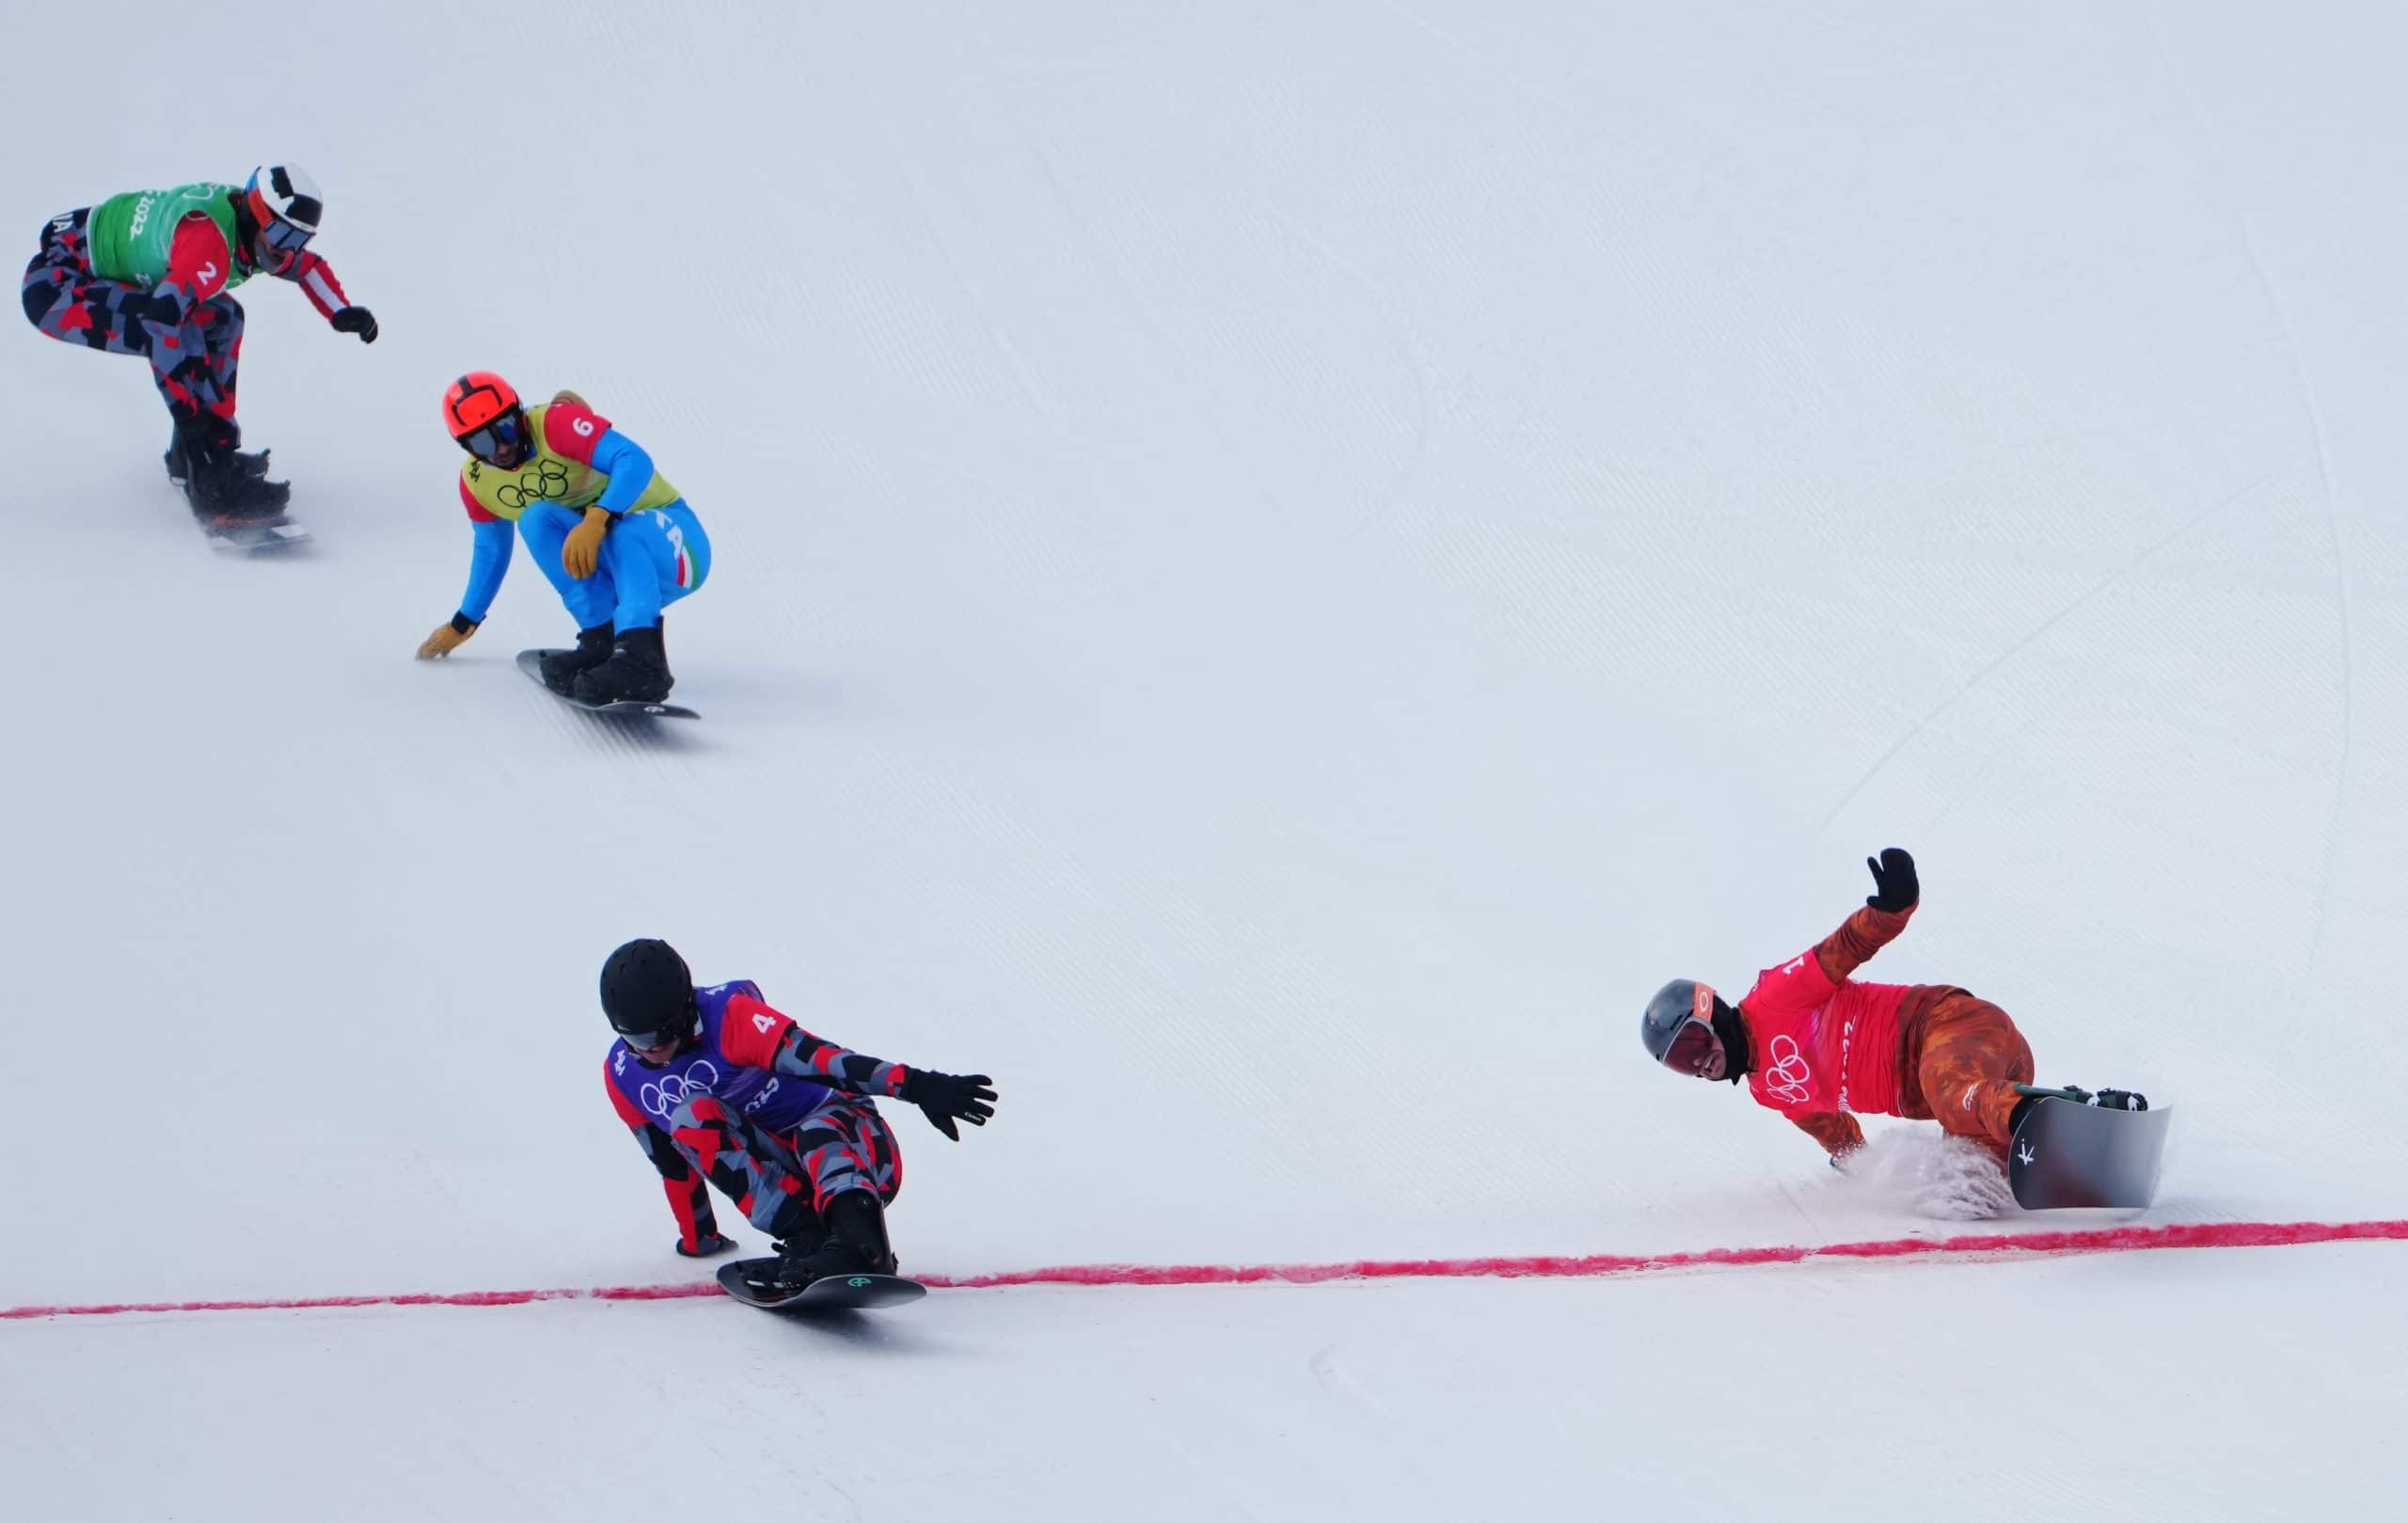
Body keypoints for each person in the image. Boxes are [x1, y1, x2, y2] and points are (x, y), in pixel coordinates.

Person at [1640, 849, 2145, 1165]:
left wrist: (1890, 909)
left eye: (1691, 1042)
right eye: (1682, 1065)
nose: (1699, 1063)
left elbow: (1844, 949)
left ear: (1712, 1011)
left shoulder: (1774, 999)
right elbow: (1837, 1134)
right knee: (1973, 1183)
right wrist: (1863, 1175)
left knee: (1951, 1093)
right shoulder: (1768, 1092)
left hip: (1944, 1030)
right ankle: (2068, 1149)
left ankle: (2080, 1114)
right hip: (1983, 1094)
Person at [596, 938, 997, 1290]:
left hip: (858, 1151)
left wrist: (917, 1086)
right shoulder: (622, 1076)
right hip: (790, 1174)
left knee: (813, 1129)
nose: (650, 1051)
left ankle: (860, 1243)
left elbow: (828, 1060)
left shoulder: (731, 1018)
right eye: (635, 1038)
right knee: (690, 1118)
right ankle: (808, 1237)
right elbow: (674, 1166)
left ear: (684, 1011)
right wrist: (700, 1241)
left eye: (660, 1035)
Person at [20, 166, 377, 523]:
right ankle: (211, 478)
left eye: (300, 238)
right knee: (184, 327)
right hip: (56, 288)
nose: (288, 250)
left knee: (223, 318)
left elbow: (306, 267)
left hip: (78, 253)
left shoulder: (255, 230)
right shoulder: (210, 247)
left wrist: (340, 312)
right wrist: (192, 424)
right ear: (257, 214)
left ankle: (196, 458)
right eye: (284, 234)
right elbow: (161, 326)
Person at [414, 373, 709, 705]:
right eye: (482, 443)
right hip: (618, 562)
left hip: (679, 548)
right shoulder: (477, 483)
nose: (501, 447)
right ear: (466, 448)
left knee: (623, 531)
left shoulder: (555, 424)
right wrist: (463, 622)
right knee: (536, 519)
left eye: (507, 429)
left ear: (521, 414)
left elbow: (634, 460)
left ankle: (643, 660)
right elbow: (491, 550)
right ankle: (603, 638)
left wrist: (599, 516)